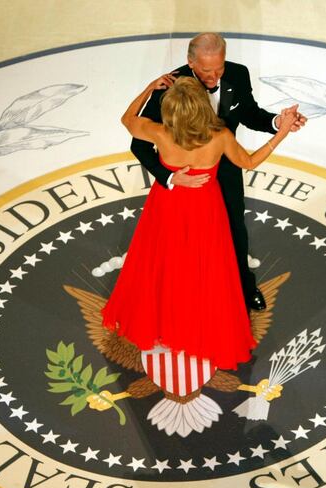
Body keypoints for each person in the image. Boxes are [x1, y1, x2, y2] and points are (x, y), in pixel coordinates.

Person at [101, 75, 298, 370]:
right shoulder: (220, 138)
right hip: (205, 207)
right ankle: (199, 328)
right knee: (205, 268)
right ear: (202, 106)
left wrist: (148, 88)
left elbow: (127, 119)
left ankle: (163, 324)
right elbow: (249, 162)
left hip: (166, 205)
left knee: (163, 263)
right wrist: (281, 132)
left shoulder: (160, 133)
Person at [131, 32, 306, 311]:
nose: (213, 77)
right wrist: (169, 177)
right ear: (190, 62)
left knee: (234, 230)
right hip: (184, 180)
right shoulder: (169, 87)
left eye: (218, 69)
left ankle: (243, 288)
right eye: (205, 70)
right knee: (180, 242)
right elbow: (139, 146)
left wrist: (278, 122)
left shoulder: (238, 74)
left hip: (223, 170)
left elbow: (249, 114)